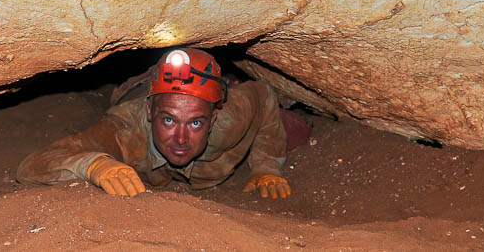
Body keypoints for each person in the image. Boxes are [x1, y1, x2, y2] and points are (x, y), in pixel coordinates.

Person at [16, 48, 292, 199]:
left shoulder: (232, 117)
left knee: (297, 129)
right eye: (169, 120)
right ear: (150, 112)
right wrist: (95, 165)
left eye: (195, 123)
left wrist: (266, 167)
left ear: (213, 120)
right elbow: (31, 167)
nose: (181, 138)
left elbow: (265, 94)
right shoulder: (126, 130)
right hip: (136, 88)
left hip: (214, 92)